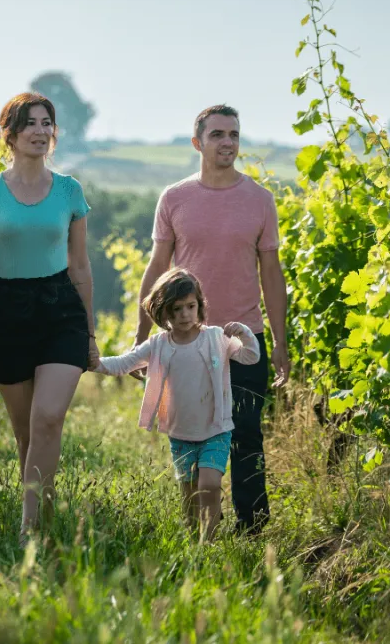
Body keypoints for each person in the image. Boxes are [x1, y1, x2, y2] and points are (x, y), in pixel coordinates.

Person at [132, 104, 290, 535]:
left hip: (242, 339)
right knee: (192, 435)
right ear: (197, 141)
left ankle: (253, 527)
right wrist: (140, 339)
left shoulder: (260, 200)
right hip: (186, 341)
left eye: (234, 135)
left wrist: (279, 341)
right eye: (218, 134)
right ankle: (201, 528)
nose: (228, 143)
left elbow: (271, 276)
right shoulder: (175, 197)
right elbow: (157, 269)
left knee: (247, 434)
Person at [0, 92, 99, 543]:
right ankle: (45, 509)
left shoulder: (69, 191)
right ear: (10, 134)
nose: (41, 131)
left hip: (61, 308)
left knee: (47, 419)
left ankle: (29, 529)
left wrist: (91, 333)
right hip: (9, 311)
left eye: (48, 123)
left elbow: (80, 266)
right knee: (25, 434)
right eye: (31, 123)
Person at [94, 268, 260, 541]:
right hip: (181, 433)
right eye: (177, 309)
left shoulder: (215, 338)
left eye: (191, 307)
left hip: (216, 430)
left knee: (209, 485)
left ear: (200, 306)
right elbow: (125, 362)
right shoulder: (159, 345)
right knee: (190, 494)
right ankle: (193, 539)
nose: (185, 314)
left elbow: (251, 357)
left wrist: (243, 333)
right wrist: (95, 364)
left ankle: (210, 543)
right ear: (164, 313)